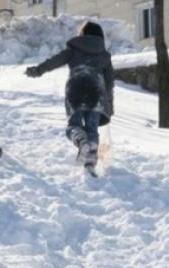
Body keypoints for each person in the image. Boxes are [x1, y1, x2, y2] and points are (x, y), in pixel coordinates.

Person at [25, 21, 114, 173]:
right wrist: (109, 104)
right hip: (96, 92)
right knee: (92, 127)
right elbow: (109, 81)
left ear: (83, 34)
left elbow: (54, 61)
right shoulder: (104, 55)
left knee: (74, 125)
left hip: (76, 89)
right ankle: (90, 161)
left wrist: (37, 70)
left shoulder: (74, 49)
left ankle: (81, 141)